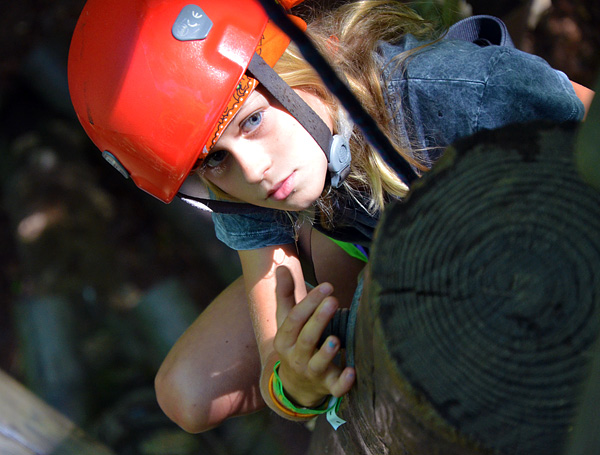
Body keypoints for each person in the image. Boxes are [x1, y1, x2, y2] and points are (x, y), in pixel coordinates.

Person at [68, 0, 589, 433]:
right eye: (215, 160)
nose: (255, 172)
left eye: (250, 121)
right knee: (186, 393)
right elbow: (277, 353)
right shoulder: (246, 185)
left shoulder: (452, 93)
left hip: (526, 235)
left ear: (307, 62)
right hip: (382, 248)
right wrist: (297, 381)